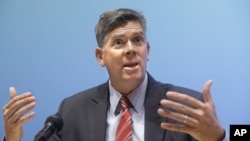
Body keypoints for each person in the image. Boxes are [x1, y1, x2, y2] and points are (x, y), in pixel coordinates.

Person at [2, 8, 228, 141]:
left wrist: (219, 137)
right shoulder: (71, 111)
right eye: (119, 42)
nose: (130, 49)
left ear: (147, 51)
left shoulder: (186, 106)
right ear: (100, 56)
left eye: (137, 40)